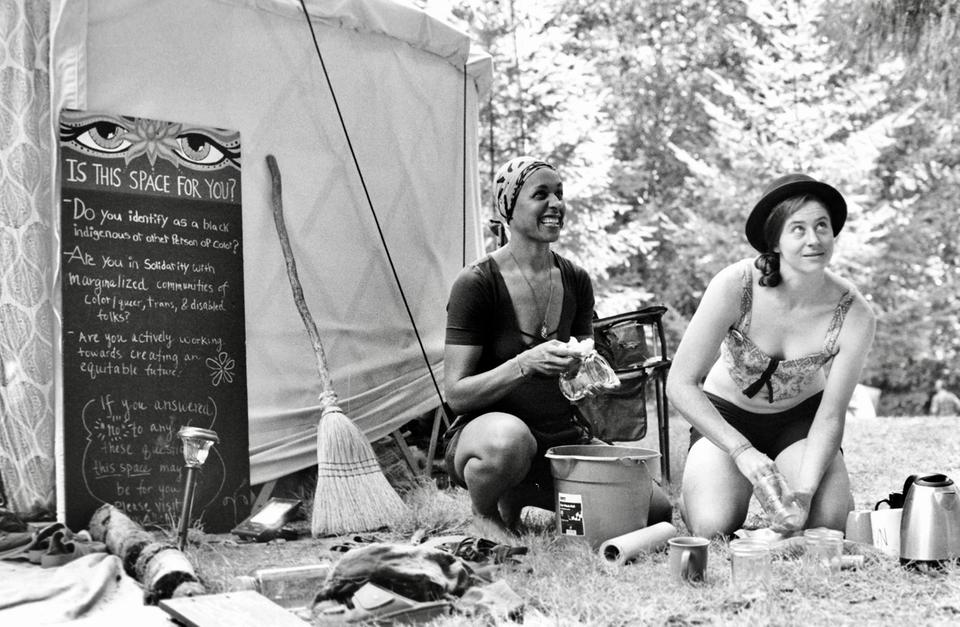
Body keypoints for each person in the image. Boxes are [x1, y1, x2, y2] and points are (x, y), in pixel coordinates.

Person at [442, 156, 672, 538]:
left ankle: (519, 497)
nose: (556, 204)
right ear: (507, 208)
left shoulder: (575, 279)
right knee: (509, 440)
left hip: (560, 437)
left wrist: (582, 367)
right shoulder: (477, 283)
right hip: (490, 438)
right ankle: (486, 512)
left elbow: (585, 365)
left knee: (655, 512)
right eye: (541, 194)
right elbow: (457, 394)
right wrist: (525, 363)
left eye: (560, 194)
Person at [666, 173, 876, 538]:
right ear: (775, 239)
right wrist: (741, 451)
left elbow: (830, 416)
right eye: (798, 229)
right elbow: (681, 383)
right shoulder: (735, 284)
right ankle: (698, 497)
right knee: (712, 526)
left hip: (801, 421)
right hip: (726, 415)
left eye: (822, 226)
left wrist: (807, 491)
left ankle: (824, 492)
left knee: (824, 523)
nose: (814, 239)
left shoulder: (855, 313)